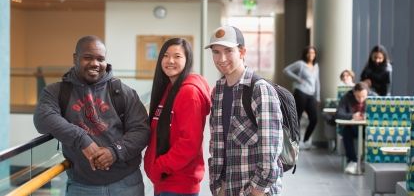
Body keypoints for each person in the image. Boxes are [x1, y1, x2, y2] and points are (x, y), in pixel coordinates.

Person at [33, 35, 150, 196]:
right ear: (75, 58)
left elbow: (141, 130)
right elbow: (42, 119)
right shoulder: (57, 92)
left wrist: (114, 152)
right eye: (88, 57)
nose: (95, 63)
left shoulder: (123, 92)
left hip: (126, 184)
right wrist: (82, 139)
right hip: (82, 187)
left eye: (100, 59)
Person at [205, 26, 283, 196]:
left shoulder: (259, 89)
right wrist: (218, 186)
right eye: (216, 52)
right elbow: (216, 142)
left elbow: (271, 149)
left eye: (228, 51)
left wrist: (257, 190)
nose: (222, 58)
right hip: (226, 187)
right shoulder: (217, 91)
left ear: (242, 52)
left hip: (254, 190)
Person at [144, 38, 211, 196]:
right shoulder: (169, 89)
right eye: (166, 56)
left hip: (178, 185)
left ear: (187, 61)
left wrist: (160, 167)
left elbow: (189, 143)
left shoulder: (189, 93)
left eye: (177, 56)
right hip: (165, 182)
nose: (170, 61)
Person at [283, 46, 320, 150]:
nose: (311, 55)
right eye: (309, 53)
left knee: (314, 119)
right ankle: (296, 142)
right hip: (300, 92)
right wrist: (298, 79)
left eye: (313, 53)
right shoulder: (300, 64)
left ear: (315, 54)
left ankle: (306, 140)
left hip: (311, 94)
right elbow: (286, 70)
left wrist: (317, 96)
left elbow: (317, 82)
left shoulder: (316, 66)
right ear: (305, 54)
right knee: (297, 118)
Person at [335, 82, 373, 174]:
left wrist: (367, 116)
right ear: (354, 92)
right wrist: (352, 116)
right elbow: (338, 114)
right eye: (358, 97)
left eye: (363, 97)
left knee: (373, 133)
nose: (361, 100)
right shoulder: (346, 97)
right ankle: (353, 161)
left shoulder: (374, 98)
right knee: (346, 131)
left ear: (367, 93)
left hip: (368, 128)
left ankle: (368, 162)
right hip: (352, 127)